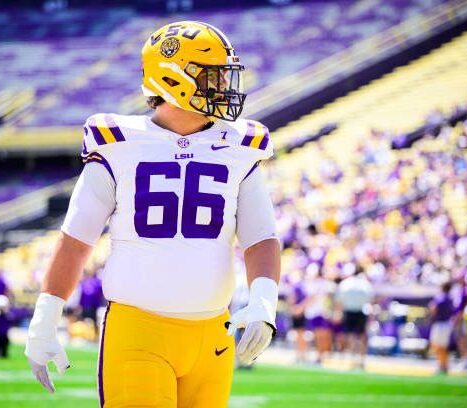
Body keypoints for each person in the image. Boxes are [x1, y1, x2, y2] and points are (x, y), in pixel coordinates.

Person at [25, 21, 280, 407]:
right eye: (212, 76)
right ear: (174, 77)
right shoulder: (119, 143)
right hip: (139, 332)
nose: (224, 87)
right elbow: (76, 241)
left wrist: (263, 300)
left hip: (213, 335)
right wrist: (46, 317)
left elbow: (262, 237)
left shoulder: (241, 146)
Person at [335, 266, 374, 368]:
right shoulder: (365, 284)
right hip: (361, 311)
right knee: (361, 336)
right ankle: (361, 359)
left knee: (350, 335)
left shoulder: (346, 283)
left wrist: (338, 313)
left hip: (349, 311)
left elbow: (339, 300)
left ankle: (352, 358)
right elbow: (370, 300)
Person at [429, 281, 455, 374]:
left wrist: (432, 317)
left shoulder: (440, 297)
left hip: (440, 324)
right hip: (447, 324)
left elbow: (434, 308)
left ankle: (442, 365)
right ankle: (444, 365)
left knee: (439, 346)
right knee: (442, 346)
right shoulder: (451, 298)